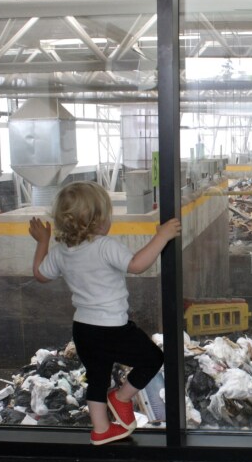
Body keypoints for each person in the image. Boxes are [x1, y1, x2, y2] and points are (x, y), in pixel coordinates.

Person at [28, 181, 182, 445]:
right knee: (152, 359)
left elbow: (40, 274)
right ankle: (121, 397)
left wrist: (42, 241)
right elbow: (136, 265)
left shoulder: (62, 252)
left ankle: (101, 430)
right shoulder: (104, 246)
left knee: (97, 378)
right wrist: (162, 236)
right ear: (98, 220)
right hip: (113, 328)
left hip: (84, 329)